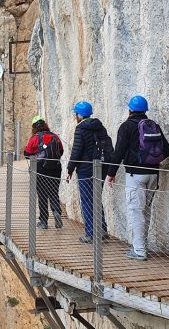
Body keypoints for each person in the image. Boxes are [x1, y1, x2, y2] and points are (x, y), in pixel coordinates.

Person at [108, 95, 169, 261]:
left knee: (135, 211)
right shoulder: (153, 125)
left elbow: (119, 152)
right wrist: (153, 161)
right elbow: (168, 150)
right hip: (153, 174)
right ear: (145, 110)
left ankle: (139, 250)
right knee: (146, 211)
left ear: (130, 110)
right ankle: (141, 246)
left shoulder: (126, 127)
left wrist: (111, 173)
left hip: (135, 175)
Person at [65, 101, 113, 244]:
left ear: (79, 115)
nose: (75, 116)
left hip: (86, 170)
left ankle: (91, 233)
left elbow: (77, 151)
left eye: (76, 114)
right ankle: (102, 230)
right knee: (96, 198)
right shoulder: (100, 126)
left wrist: (70, 169)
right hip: (102, 167)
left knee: (87, 200)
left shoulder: (80, 129)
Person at [23, 115, 64, 229]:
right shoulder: (54, 136)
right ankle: (56, 211)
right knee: (53, 192)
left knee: (42, 194)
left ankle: (44, 221)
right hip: (55, 168)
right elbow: (61, 150)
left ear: (34, 127)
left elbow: (27, 153)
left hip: (40, 169)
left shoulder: (35, 138)